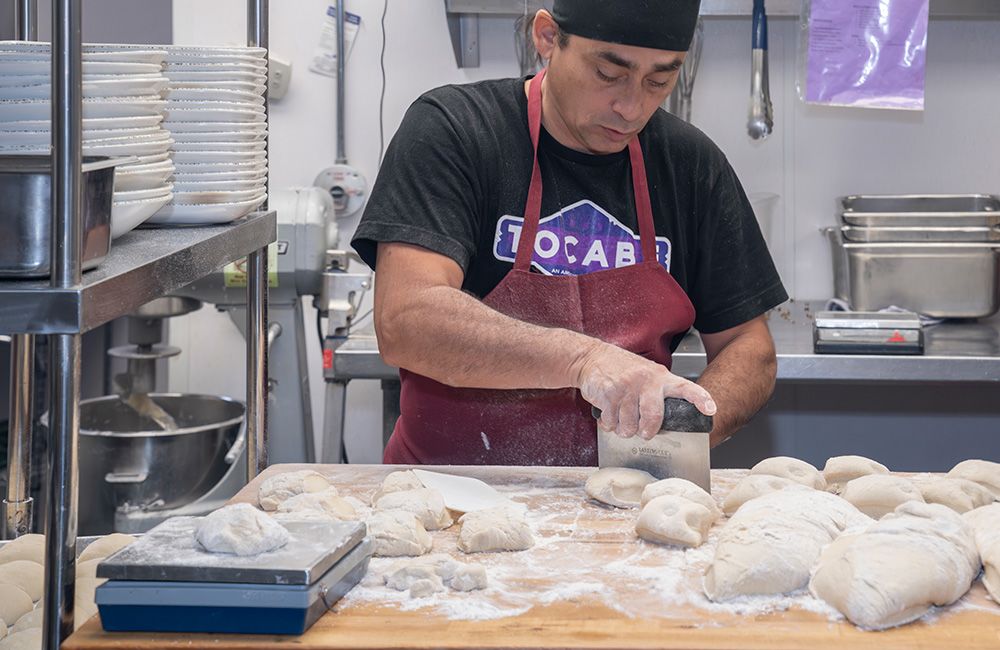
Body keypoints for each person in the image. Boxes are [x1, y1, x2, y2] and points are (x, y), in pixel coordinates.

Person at [352, 0, 787, 466]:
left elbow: (748, 345)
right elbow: (407, 320)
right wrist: (586, 361)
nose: (631, 107)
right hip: (447, 497)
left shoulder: (690, 164)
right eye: (608, 73)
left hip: (625, 501)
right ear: (547, 38)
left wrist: (685, 427)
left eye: (659, 81)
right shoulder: (455, 129)